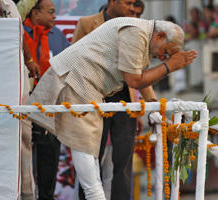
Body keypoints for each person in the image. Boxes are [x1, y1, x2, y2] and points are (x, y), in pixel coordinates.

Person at [26, 17, 197, 200]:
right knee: (84, 149)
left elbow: (139, 76)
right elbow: (134, 80)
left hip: (83, 87)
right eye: (165, 52)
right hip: (75, 82)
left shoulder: (142, 33)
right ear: (160, 36)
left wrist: (155, 104)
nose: (163, 57)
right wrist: (169, 66)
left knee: (88, 150)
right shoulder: (136, 32)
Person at [72, 1, 152, 200]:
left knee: (124, 161)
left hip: (126, 100)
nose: (131, 10)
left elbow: (139, 70)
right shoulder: (86, 23)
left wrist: (152, 105)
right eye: (127, 4)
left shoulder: (135, 28)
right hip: (95, 100)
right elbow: (73, 60)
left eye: (135, 8)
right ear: (112, 2)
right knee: (92, 159)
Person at [0, 1, 41, 200]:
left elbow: (18, 34)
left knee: (24, 139)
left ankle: (26, 194)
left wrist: (29, 60)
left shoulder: (8, 3)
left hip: (18, 85)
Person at [23, 0, 70, 199]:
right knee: (24, 157)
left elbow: (69, 65)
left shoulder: (58, 36)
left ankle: (47, 196)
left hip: (51, 106)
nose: (54, 16)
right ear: (35, 13)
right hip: (23, 104)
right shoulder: (19, 34)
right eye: (50, 12)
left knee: (49, 157)